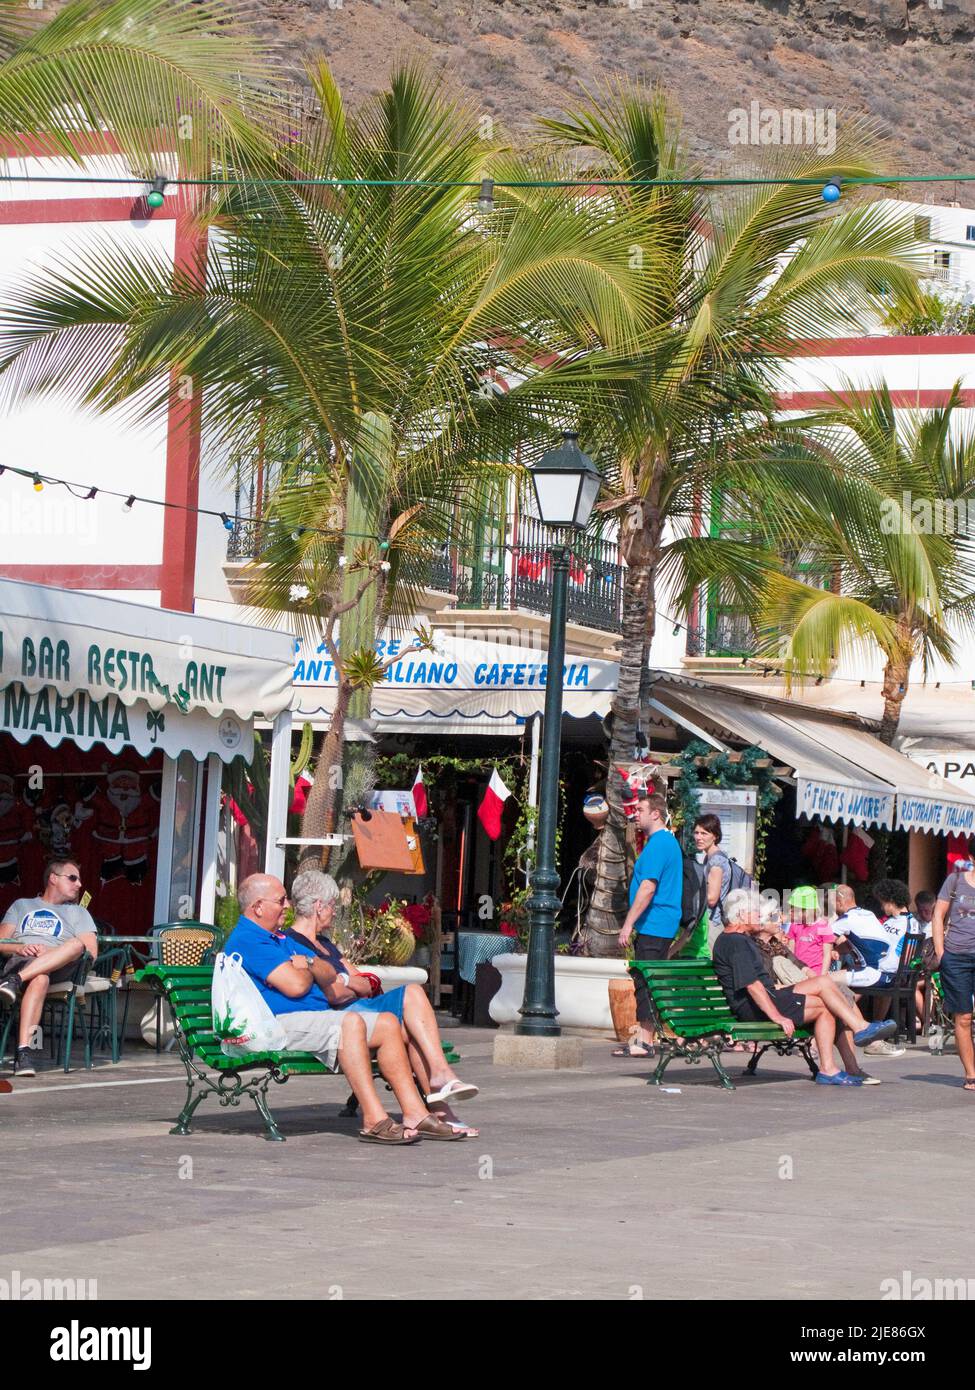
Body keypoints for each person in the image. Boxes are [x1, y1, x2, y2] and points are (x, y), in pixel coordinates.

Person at [223, 874, 467, 1143]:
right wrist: (308, 969)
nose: (288, 906)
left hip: (314, 1016)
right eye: (281, 900)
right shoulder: (249, 938)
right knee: (350, 1022)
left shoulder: (278, 937)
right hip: (277, 1022)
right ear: (258, 907)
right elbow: (296, 986)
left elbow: (326, 972)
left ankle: (415, 1114)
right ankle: (374, 1118)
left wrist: (309, 964)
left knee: (387, 1023)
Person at [286, 870, 479, 1136]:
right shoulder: (293, 945)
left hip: (359, 1007)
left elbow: (364, 984)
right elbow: (335, 995)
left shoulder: (326, 946)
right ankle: (440, 1106)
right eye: (332, 906)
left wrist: (343, 979)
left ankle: (439, 1077)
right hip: (342, 1015)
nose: (333, 912)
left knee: (412, 994)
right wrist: (348, 981)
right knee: (408, 1025)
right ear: (319, 906)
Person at [712, 888, 896, 1086]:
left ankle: (842, 1054)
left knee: (826, 987)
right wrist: (777, 1016)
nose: (759, 915)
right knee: (826, 1002)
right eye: (755, 911)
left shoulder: (739, 939)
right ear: (741, 915)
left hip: (770, 996)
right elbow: (753, 986)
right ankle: (848, 1044)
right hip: (757, 1007)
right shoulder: (735, 942)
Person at [0, 857, 98, 1076]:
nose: (79, 884)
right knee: (40, 978)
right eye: (73, 878)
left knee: (76, 944)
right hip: (23, 961)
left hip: (60, 968)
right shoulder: (22, 905)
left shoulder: (79, 912)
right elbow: (1, 942)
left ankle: (14, 982)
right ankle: (24, 1053)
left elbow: (91, 952)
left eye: (79, 880)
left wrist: (53, 953)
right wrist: (18, 948)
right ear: (53, 878)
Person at [614, 791, 684, 1058]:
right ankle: (646, 1037)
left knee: (646, 981)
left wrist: (628, 924)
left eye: (641, 809)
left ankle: (645, 1040)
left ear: (655, 813)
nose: (636, 814)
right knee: (648, 980)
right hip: (658, 924)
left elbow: (648, 887)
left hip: (654, 924)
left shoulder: (659, 844)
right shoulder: (666, 842)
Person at [829, 882, 909, 1059]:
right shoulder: (870, 915)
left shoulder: (847, 919)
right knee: (842, 988)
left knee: (825, 983)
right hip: (892, 975)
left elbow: (824, 940)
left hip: (875, 973)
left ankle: (868, 1034)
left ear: (839, 901)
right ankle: (873, 1032)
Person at [932, 856, 975, 1091]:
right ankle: (971, 1074)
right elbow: (938, 915)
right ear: (971, 857)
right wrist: (941, 952)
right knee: (964, 1017)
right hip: (956, 956)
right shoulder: (955, 881)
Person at [692, 813, 731, 951]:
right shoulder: (710, 858)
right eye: (696, 833)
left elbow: (712, 898)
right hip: (710, 921)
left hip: (713, 923)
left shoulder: (716, 861)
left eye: (704, 833)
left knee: (711, 966)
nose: (698, 837)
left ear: (715, 836)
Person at [785, 885, 835, 977]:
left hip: (817, 972)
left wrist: (822, 976)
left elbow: (827, 954)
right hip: (798, 970)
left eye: (795, 909)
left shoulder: (823, 926)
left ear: (807, 910)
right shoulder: (795, 924)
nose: (791, 911)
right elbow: (791, 950)